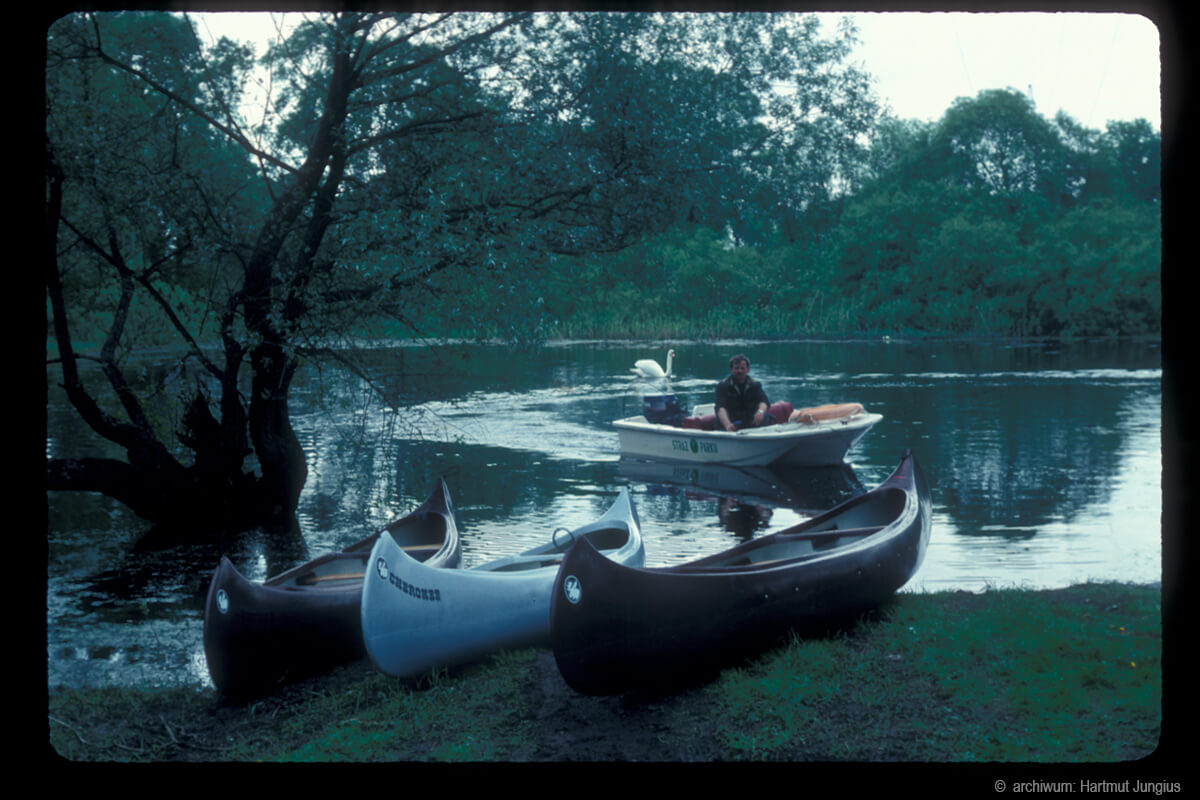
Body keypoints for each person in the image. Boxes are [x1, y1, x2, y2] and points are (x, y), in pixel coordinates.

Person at [714, 354, 772, 432]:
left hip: (749, 421)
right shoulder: (722, 386)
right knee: (718, 422)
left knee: (766, 418)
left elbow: (763, 401)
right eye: (737, 368)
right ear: (731, 369)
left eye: (742, 368)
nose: (739, 371)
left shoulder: (755, 384)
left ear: (748, 369)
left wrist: (760, 412)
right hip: (731, 422)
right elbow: (720, 408)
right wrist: (727, 425)